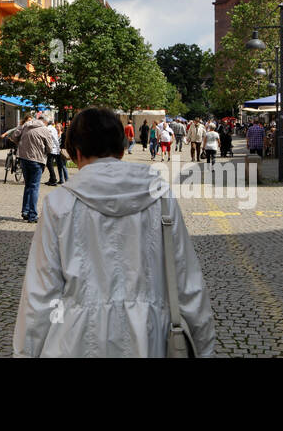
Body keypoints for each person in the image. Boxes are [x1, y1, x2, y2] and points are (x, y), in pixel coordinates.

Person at [13, 107, 216, 357]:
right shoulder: (161, 198)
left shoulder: (60, 204)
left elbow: (40, 293)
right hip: (150, 338)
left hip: (75, 341)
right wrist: (203, 345)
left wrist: (25, 352)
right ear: (122, 149)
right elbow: (187, 281)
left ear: (75, 153)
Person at [4, 113, 54, 223]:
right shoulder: (44, 130)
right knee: (34, 187)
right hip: (37, 160)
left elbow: (13, 137)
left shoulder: (26, 125)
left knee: (28, 185)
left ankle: (25, 211)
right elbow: (50, 148)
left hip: (23, 158)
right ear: (45, 121)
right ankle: (32, 215)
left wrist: (21, 145)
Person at [45, 116, 68, 185]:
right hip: (56, 150)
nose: (57, 127)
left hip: (59, 150)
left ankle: (66, 180)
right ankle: (60, 179)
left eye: (58, 127)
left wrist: (59, 148)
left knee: (62, 166)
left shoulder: (63, 134)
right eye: (56, 126)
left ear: (61, 128)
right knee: (58, 166)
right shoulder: (54, 130)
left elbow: (60, 141)